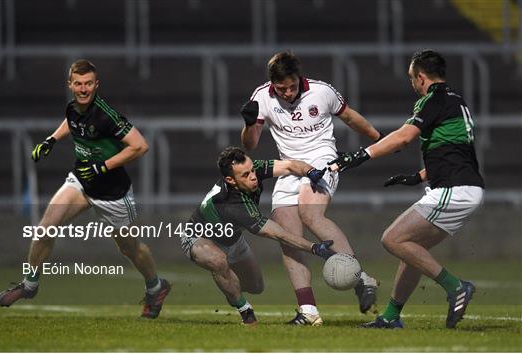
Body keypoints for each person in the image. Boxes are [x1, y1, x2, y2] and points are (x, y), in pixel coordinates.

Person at [0, 59, 170, 319]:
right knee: (45, 227)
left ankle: (156, 287)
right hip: (81, 182)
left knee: (130, 249)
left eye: (88, 84)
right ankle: (30, 285)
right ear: (70, 85)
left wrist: (102, 167)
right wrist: (51, 139)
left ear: (96, 85)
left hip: (114, 193)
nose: (83, 89)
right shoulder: (73, 107)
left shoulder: (105, 115)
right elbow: (71, 121)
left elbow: (140, 146)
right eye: (78, 84)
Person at [328, 49, 484, 329]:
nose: (412, 83)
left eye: (413, 78)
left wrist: (359, 156)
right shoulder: (456, 101)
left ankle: (456, 287)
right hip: (462, 186)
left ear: (421, 77)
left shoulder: (433, 99)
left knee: (392, 239)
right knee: (411, 247)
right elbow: (455, 150)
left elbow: (403, 138)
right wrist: (419, 175)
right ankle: (390, 316)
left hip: (454, 188)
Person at [240, 51, 382, 325]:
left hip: (323, 160)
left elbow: (350, 117)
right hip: (289, 167)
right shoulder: (261, 97)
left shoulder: (321, 91)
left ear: (299, 78)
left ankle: (362, 279)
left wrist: (379, 140)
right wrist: (248, 124)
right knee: (287, 237)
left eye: (292, 86)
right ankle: (309, 311)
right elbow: (251, 144)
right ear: (272, 83)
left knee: (309, 212)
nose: (289, 92)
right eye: (282, 88)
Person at [181, 146, 336, 325]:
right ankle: (245, 311)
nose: (253, 176)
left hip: (232, 238)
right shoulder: (232, 205)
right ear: (230, 180)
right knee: (218, 261)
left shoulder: (252, 169)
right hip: (198, 237)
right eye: (245, 175)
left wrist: (309, 171)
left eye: (252, 170)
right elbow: (280, 234)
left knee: (256, 287)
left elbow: (290, 165)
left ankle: (227, 284)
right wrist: (315, 248)